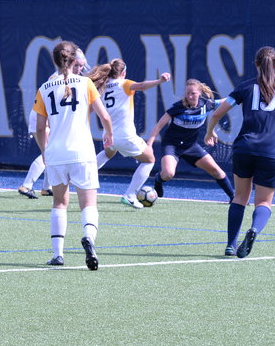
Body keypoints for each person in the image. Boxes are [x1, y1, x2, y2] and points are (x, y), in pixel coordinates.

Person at [204, 46, 275, 258]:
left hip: (244, 148)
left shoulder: (245, 87)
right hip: (271, 151)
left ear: (256, 64)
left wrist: (210, 132)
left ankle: (230, 245)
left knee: (239, 197)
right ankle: (254, 230)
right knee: (263, 202)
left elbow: (217, 113)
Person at [33, 41, 113, 270]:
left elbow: (40, 128)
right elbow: (105, 117)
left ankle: (58, 254)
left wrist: (44, 151)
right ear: (73, 60)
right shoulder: (85, 83)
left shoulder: (44, 88)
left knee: (59, 203)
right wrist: (109, 135)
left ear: (55, 61)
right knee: (88, 204)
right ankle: (88, 237)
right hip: (82, 152)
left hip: (56, 154)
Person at [88, 58, 171, 208]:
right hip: (125, 136)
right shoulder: (124, 83)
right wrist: (160, 80)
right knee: (149, 160)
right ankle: (130, 195)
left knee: (108, 153)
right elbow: (142, 86)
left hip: (108, 133)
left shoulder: (103, 86)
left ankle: (83, 176)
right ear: (123, 73)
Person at [147, 78, 234, 202]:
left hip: (190, 146)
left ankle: (234, 198)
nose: (190, 96)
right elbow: (158, 126)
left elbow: (228, 100)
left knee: (217, 171)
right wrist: (149, 144)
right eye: (188, 93)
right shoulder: (178, 107)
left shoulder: (206, 104)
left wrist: (242, 95)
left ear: (199, 93)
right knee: (168, 174)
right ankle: (158, 179)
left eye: (193, 93)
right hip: (172, 145)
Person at [18, 53, 89, 199]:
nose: (79, 69)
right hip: (43, 117)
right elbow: (51, 106)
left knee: (52, 152)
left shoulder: (74, 79)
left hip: (50, 118)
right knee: (48, 152)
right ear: (69, 63)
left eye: (81, 66)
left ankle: (46, 187)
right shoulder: (57, 78)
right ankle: (27, 185)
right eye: (76, 65)